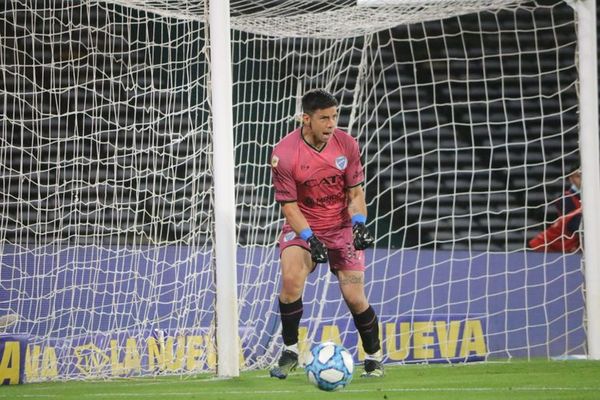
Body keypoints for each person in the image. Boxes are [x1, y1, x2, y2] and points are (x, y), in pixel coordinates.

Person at [269, 89, 383, 379]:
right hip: (303, 226)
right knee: (291, 280)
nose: (332, 124)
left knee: (355, 296)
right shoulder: (284, 154)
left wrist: (359, 222)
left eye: (334, 116)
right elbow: (290, 208)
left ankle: (373, 357)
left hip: (341, 227)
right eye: (324, 118)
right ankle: (291, 351)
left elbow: (355, 193)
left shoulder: (346, 144)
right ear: (306, 119)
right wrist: (310, 238)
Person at [529, 167, 582, 252]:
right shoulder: (566, 198)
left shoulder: (592, 198)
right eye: (578, 176)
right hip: (546, 246)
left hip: (569, 246)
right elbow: (574, 226)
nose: (583, 179)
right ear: (571, 179)